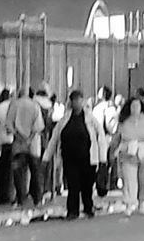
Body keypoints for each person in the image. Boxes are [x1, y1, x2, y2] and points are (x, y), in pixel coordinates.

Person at [44, 90, 108, 221]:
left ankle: (88, 208)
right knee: (73, 185)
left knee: (87, 185)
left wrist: (103, 159)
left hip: (88, 158)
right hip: (69, 158)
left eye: (79, 100)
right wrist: (46, 157)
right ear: (71, 102)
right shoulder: (65, 120)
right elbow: (54, 138)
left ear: (83, 102)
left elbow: (101, 138)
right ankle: (72, 210)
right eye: (74, 101)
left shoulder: (91, 119)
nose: (76, 103)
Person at [115, 97, 144, 215]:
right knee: (129, 179)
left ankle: (142, 202)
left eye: (137, 105)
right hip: (128, 152)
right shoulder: (124, 121)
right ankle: (129, 203)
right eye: (132, 106)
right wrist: (114, 151)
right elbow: (118, 138)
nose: (135, 108)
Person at [4, 87, 45, 207]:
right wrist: (29, 139)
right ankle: (37, 199)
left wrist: (19, 136)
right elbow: (38, 126)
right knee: (35, 171)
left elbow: (8, 124)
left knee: (18, 172)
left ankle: (21, 198)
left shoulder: (14, 105)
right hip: (33, 145)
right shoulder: (35, 106)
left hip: (18, 144)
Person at [0, 89, 14, 206]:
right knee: (10, 172)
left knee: (1, 171)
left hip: (1, 142)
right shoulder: (13, 107)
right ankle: (9, 195)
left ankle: (1, 195)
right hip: (12, 142)